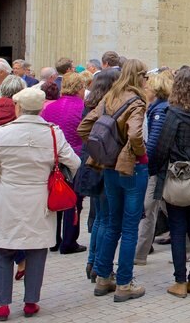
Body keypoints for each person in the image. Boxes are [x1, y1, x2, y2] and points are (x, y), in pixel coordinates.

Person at [0, 87, 80, 320]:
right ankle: (31, 301)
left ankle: (1, 303)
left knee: (4, 249)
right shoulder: (53, 133)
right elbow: (73, 162)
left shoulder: (2, 133)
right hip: (39, 199)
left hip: (8, 198)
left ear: (18, 107)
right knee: (36, 249)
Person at [78, 58, 148, 302]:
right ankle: (125, 282)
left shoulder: (108, 97)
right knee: (129, 227)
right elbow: (136, 134)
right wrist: (133, 152)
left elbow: (84, 127)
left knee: (110, 223)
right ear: (139, 76)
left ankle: (103, 277)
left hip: (107, 167)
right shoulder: (136, 101)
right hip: (131, 169)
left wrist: (104, 151)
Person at [151, 67, 190, 298]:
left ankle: (180, 280)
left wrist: (154, 170)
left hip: (177, 173)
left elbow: (163, 146)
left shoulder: (173, 113)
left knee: (178, 229)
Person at [40, 71, 88, 254]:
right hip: (75, 157)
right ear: (79, 88)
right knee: (73, 200)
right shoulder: (83, 107)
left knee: (55, 195)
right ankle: (69, 240)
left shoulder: (50, 108)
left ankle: (54, 239)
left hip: (53, 158)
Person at [79, 68, 119, 282]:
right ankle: (100, 264)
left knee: (99, 217)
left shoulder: (89, 106)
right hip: (105, 164)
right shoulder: (108, 107)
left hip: (92, 163)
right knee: (106, 219)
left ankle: (93, 261)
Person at [134, 69, 172, 266]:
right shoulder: (159, 108)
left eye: (148, 87)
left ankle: (139, 254)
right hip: (160, 168)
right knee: (165, 207)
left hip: (156, 169)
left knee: (149, 209)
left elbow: (154, 143)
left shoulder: (158, 111)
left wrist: (146, 164)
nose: (145, 89)